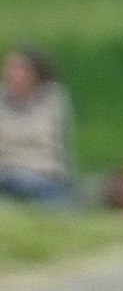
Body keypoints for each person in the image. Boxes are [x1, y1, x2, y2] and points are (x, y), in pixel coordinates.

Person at [0, 49, 78, 207]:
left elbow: (57, 144)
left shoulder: (53, 99)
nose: (12, 73)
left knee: (39, 189)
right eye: (10, 67)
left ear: (35, 74)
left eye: (19, 68)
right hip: (5, 171)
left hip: (42, 172)